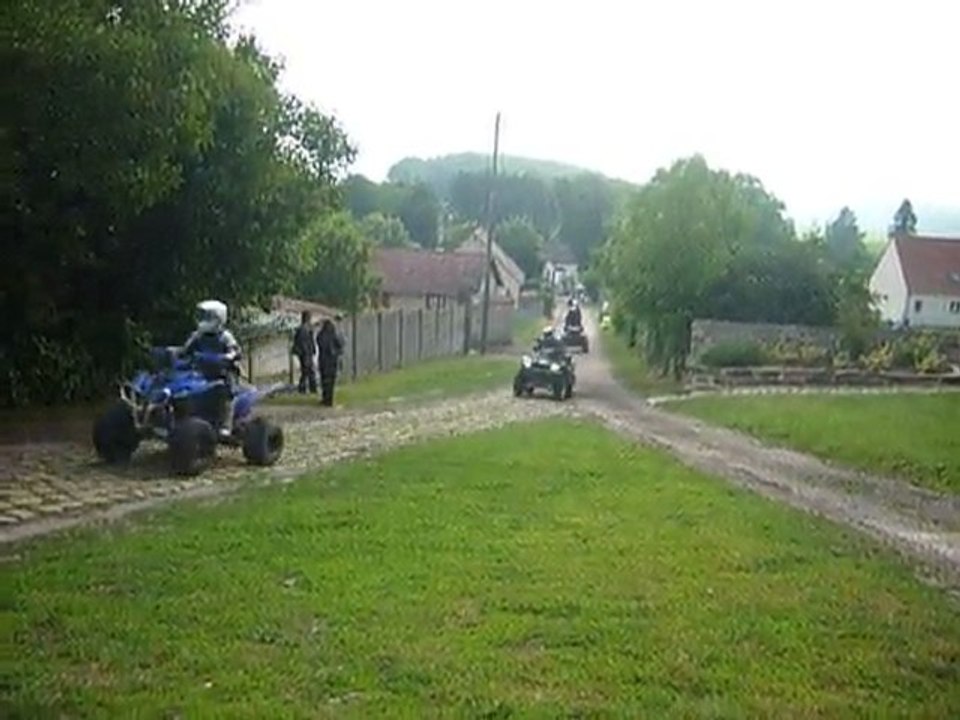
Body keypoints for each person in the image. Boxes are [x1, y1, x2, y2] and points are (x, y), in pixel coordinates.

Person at [181, 299, 242, 438]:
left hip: (222, 373)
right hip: (200, 373)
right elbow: (185, 350)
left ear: (218, 318)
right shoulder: (198, 335)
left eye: (207, 317)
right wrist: (173, 353)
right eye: (202, 316)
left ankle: (226, 425)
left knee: (228, 393)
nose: (203, 320)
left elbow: (236, 351)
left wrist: (228, 357)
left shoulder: (225, 337)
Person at [316, 318, 344, 407]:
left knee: (324, 380)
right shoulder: (334, 335)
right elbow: (340, 345)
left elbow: (318, 342)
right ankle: (329, 399)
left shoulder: (320, 335)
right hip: (332, 361)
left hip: (323, 361)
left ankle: (325, 398)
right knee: (331, 381)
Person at [291, 310, 318, 395]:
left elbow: (310, 341)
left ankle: (308, 388)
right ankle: (306, 388)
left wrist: (313, 350)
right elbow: (303, 342)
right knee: (307, 371)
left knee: (308, 371)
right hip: (305, 353)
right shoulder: (303, 329)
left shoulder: (307, 328)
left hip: (307, 353)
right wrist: (307, 352)